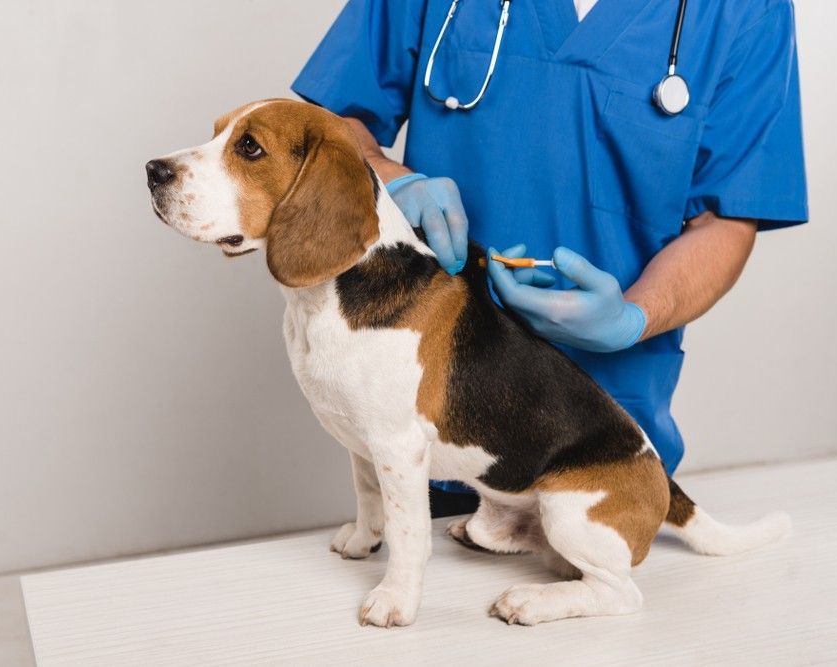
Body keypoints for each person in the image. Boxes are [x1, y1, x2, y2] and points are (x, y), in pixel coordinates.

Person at [292, 0, 808, 517]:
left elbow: (725, 220)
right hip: (434, 440)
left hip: (604, 468)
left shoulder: (746, 10)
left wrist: (633, 316)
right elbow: (334, 119)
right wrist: (387, 174)